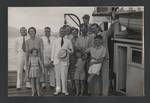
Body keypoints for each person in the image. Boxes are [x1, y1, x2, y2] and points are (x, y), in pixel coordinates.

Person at [51, 26, 73, 96]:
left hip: (65, 61)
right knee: (57, 76)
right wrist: (52, 59)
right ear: (59, 32)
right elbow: (53, 51)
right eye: (61, 31)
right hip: (57, 61)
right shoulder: (55, 40)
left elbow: (72, 51)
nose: (62, 33)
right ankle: (58, 90)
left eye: (63, 32)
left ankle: (64, 90)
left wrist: (67, 49)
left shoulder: (68, 41)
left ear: (65, 32)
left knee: (64, 76)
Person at [68, 27, 79, 95]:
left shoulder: (80, 39)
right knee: (72, 74)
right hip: (72, 59)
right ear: (72, 33)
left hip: (79, 59)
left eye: (75, 32)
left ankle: (79, 88)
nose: (74, 33)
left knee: (78, 74)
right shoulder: (70, 40)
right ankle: (73, 87)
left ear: (77, 32)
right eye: (73, 32)